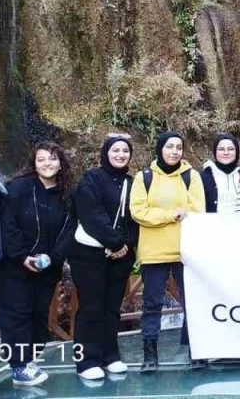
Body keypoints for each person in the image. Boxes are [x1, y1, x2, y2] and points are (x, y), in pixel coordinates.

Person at [0, 142, 75, 386]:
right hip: (13, 266)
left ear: (61, 163)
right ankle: (19, 366)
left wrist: (54, 257)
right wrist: (22, 256)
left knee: (39, 315)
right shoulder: (18, 188)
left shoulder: (68, 194)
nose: (47, 163)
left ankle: (29, 360)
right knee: (17, 315)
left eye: (52, 158)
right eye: (41, 159)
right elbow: (7, 225)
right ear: (34, 164)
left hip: (48, 267)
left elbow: (70, 230)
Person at [129, 131, 205, 372]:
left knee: (192, 302)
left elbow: (196, 211)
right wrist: (171, 215)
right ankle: (150, 355)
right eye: (169, 146)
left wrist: (167, 216)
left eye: (178, 147)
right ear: (160, 149)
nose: (174, 151)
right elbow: (138, 212)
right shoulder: (144, 177)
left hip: (185, 250)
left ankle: (197, 351)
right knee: (152, 304)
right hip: (154, 252)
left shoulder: (191, 176)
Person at [70, 134, 137, 381]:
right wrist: (115, 242)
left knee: (112, 307)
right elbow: (91, 215)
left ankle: (110, 356)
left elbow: (135, 217)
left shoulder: (133, 182)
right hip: (89, 254)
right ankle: (86, 360)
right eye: (115, 150)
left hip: (121, 256)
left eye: (125, 151)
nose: (120, 155)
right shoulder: (92, 178)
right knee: (91, 307)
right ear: (106, 153)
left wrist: (125, 245)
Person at [199, 133, 240, 214]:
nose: (226, 152)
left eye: (230, 149)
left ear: (236, 152)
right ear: (215, 152)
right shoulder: (203, 177)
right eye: (221, 149)